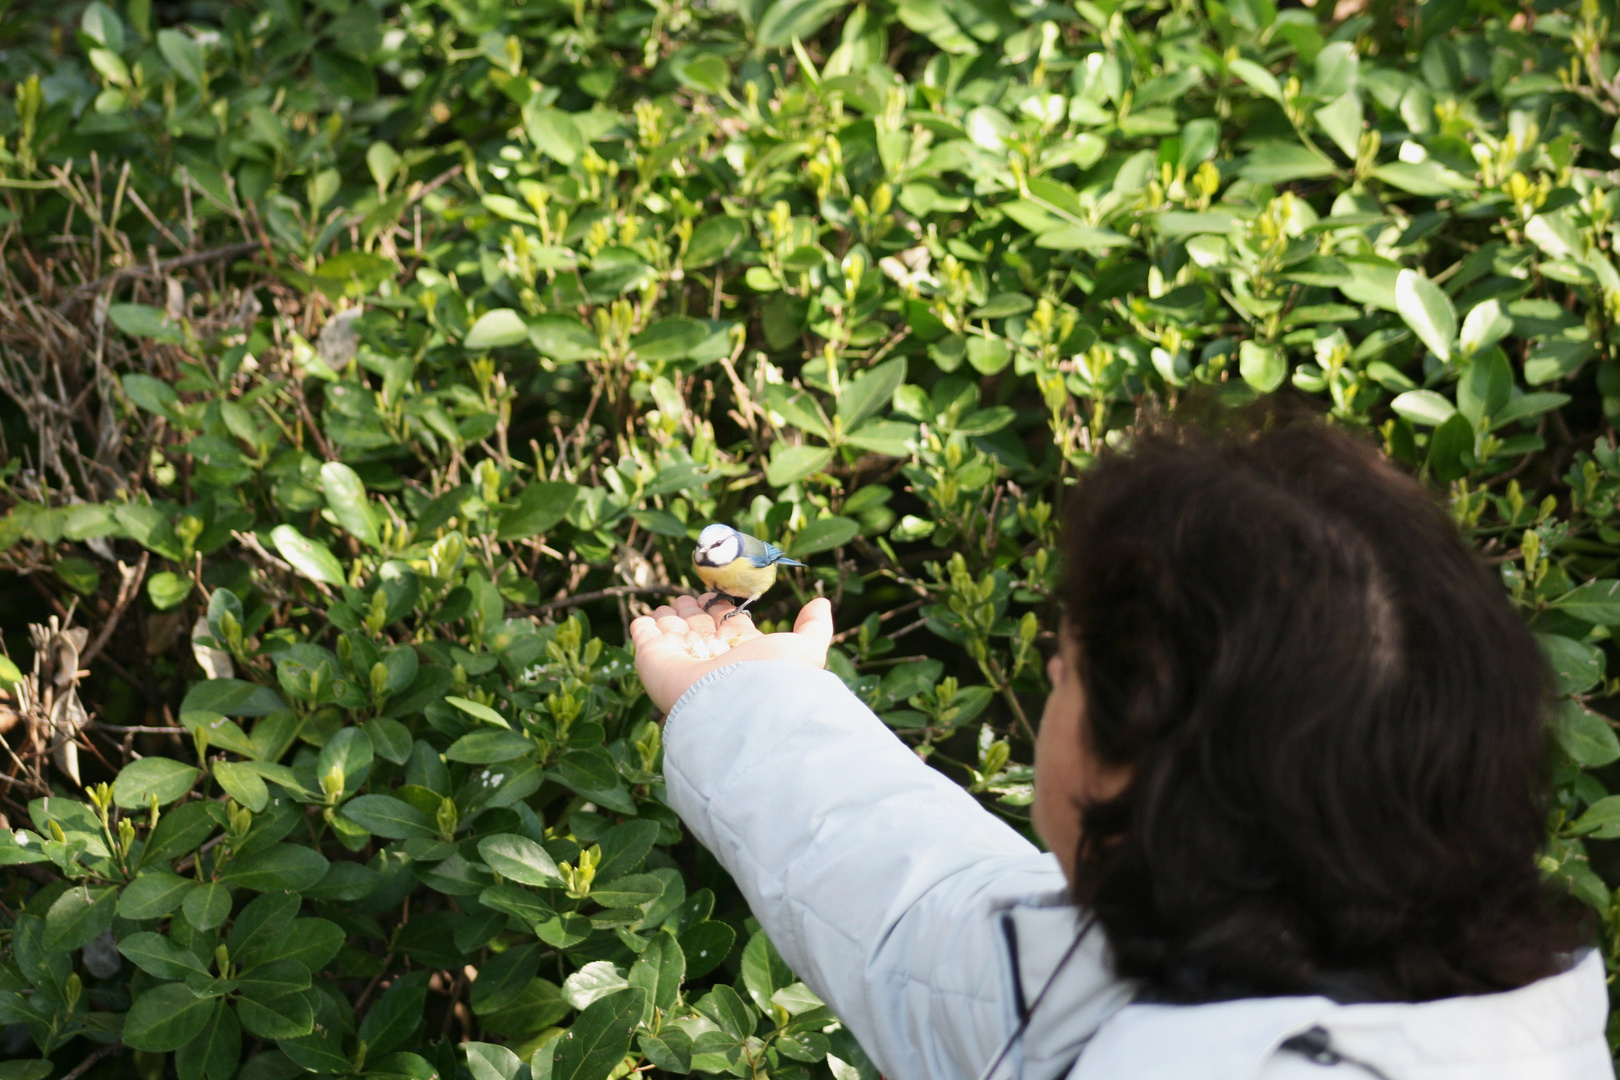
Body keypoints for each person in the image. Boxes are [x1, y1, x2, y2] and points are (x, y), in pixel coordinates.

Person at [629, 419, 1612, 1080]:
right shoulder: (1474, 998)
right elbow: (933, 934)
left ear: (1151, 770)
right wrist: (747, 698)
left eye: (1077, 660)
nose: (1052, 670)